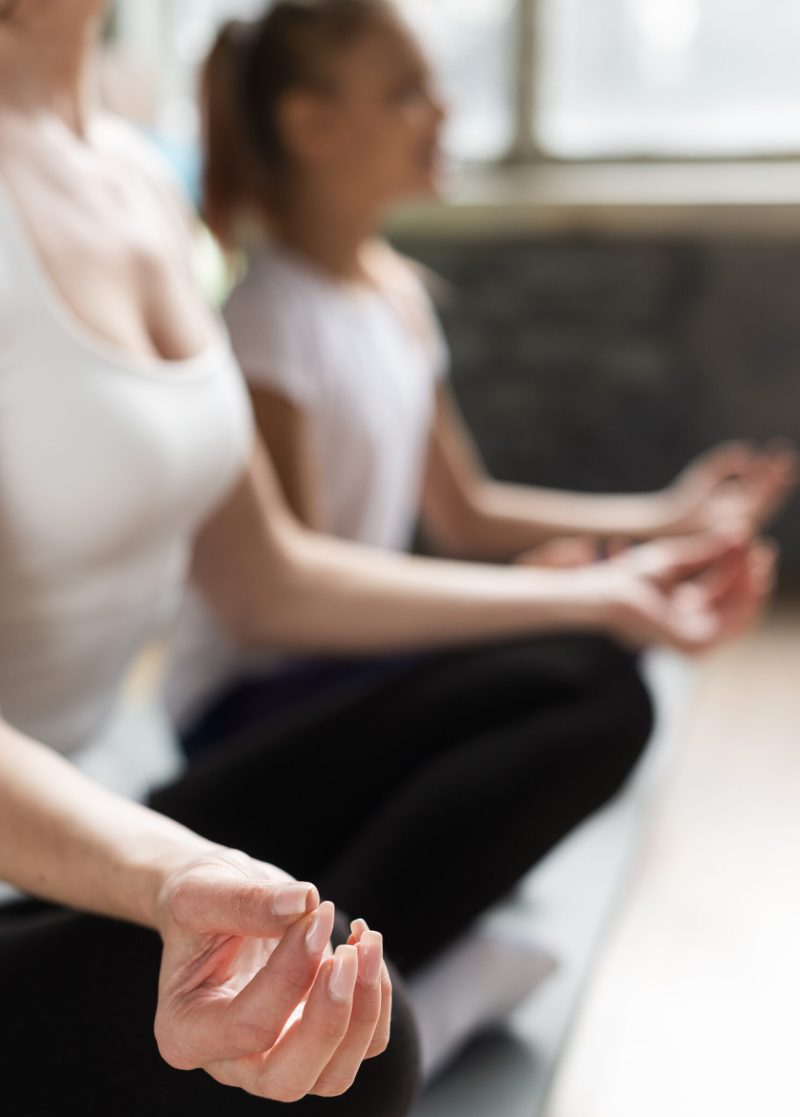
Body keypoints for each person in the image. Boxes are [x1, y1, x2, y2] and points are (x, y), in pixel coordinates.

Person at [0, 2, 773, 1117]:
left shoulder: (139, 182)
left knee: (586, 677)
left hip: (108, 815)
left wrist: (609, 588)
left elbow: (270, 576)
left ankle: (355, 967)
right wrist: (166, 881)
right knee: (364, 1063)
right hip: (79, 856)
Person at [166, 0, 796, 760]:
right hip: (258, 708)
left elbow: (463, 514)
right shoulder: (268, 321)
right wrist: (547, 597)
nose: (443, 109)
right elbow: (297, 602)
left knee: (596, 663)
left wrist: (667, 517)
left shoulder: (396, 297)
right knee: (586, 670)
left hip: (346, 672)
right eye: (406, 92)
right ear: (310, 127)